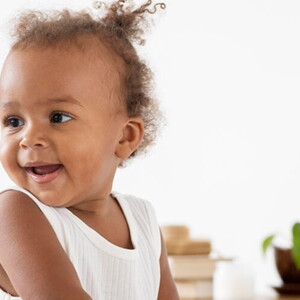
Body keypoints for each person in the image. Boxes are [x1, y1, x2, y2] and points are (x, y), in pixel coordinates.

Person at [0, 0, 179, 299]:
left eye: (58, 117)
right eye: (14, 120)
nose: (28, 139)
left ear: (125, 137)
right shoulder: (15, 213)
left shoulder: (142, 220)